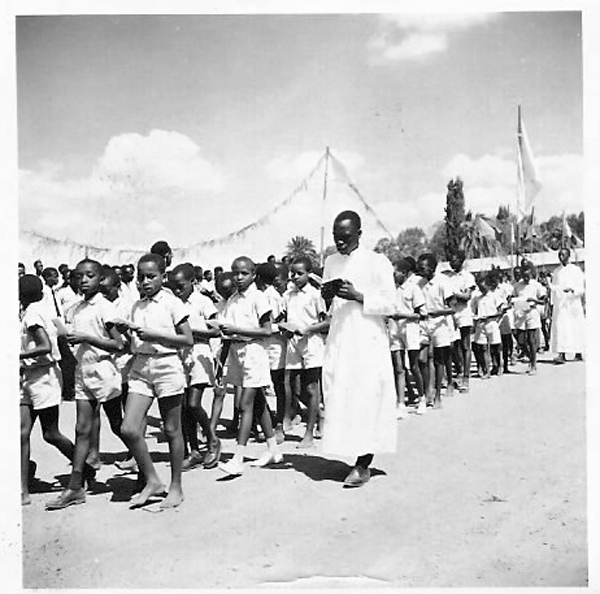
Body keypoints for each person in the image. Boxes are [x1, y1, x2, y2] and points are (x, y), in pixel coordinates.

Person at [320, 210, 397, 488]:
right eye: (336, 238)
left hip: (367, 340)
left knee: (368, 397)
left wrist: (359, 296)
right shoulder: (330, 262)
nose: (340, 243)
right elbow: (325, 307)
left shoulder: (377, 262)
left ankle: (363, 464)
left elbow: (391, 304)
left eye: (345, 238)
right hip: (341, 338)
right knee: (342, 396)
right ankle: (352, 454)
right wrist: (326, 296)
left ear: (359, 235)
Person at [45, 259, 126, 510]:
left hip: (104, 370)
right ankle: (75, 486)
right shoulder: (76, 308)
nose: (83, 280)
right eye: (78, 276)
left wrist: (87, 338)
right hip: (84, 371)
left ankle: (144, 468)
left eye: (89, 276)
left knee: (118, 425)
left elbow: (118, 344)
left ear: (100, 279)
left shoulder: (105, 307)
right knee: (82, 429)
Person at [119, 253, 193, 509]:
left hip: (167, 366)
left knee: (172, 430)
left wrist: (156, 335)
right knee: (128, 428)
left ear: (164, 276)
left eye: (151, 276)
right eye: (141, 277)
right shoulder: (137, 306)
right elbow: (134, 342)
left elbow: (187, 339)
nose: (145, 282)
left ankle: (176, 487)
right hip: (141, 366)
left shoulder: (172, 303)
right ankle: (152, 480)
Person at [216, 256, 283, 476]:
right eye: (235, 273)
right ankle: (273, 449)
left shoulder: (259, 297)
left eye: (244, 273)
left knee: (245, 403)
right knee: (259, 402)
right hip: (237, 351)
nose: (239, 277)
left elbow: (266, 330)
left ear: (253, 275)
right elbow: (227, 329)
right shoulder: (233, 298)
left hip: (255, 351)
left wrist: (238, 330)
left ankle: (238, 457)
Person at [19, 275, 77, 506]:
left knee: (50, 433)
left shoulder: (33, 314)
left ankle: (83, 468)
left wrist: (18, 355)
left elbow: (45, 347)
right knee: (21, 433)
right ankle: (23, 490)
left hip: (44, 377)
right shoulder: (37, 310)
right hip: (29, 377)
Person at [171, 263, 222, 471]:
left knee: (193, 403)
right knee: (183, 407)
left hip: (199, 353)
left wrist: (190, 332)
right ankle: (194, 450)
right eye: (173, 286)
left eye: (181, 285)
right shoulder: (172, 303)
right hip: (180, 355)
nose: (177, 290)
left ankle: (212, 439)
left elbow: (215, 331)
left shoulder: (203, 302)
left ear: (193, 282)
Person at [282, 256, 329, 448]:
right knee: (295, 386)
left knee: (311, 387)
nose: (295, 277)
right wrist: (285, 329)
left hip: (312, 343)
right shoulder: (288, 295)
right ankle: (319, 415)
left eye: (300, 273)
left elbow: (327, 322)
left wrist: (309, 329)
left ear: (309, 274)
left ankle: (309, 433)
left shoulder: (315, 295)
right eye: (292, 273)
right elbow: (285, 317)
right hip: (293, 343)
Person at [388, 256, 427, 417]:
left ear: (403, 273)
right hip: (395, 330)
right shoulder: (391, 290)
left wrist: (403, 315)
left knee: (414, 365)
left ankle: (422, 398)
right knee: (398, 367)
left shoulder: (413, 288)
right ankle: (401, 403)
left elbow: (421, 315)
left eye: (395, 272)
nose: (393, 275)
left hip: (410, 329)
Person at [416, 253, 456, 409]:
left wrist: (437, 313)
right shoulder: (419, 283)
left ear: (432, 268)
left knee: (440, 360)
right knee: (421, 359)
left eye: (423, 267)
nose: (421, 270)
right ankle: (428, 391)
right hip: (424, 323)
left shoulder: (443, 282)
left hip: (440, 324)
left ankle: (438, 394)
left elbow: (452, 308)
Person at [255, 262, 289, 444]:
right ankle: (264, 422)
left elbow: (278, 323)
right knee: (261, 384)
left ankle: (278, 425)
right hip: (263, 345)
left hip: (274, 345)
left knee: (278, 384)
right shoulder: (263, 295)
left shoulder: (271, 296)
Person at [445, 250, 476, 392]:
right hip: (451, 312)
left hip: (463, 312)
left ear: (461, 261)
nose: (452, 262)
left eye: (455, 259)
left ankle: (465, 378)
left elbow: (467, 296)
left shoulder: (468, 277)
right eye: (450, 259)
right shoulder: (447, 276)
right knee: (451, 345)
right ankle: (458, 369)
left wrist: (455, 294)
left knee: (465, 345)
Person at [550, 248, 585, 363]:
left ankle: (578, 352)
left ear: (568, 256)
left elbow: (581, 288)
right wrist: (552, 301)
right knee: (561, 327)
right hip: (561, 305)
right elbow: (554, 289)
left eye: (563, 255)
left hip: (573, 303)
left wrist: (573, 290)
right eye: (559, 255)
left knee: (575, 327)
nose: (561, 257)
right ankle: (561, 353)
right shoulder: (557, 271)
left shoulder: (576, 270)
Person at [511, 261, 546, 375]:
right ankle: (530, 357)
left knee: (531, 339)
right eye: (524, 276)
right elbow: (512, 297)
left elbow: (543, 300)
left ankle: (533, 365)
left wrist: (534, 300)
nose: (526, 278)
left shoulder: (536, 285)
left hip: (532, 312)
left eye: (528, 276)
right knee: (520, 340)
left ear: (531, 274)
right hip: (521, 313)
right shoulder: (517, 286)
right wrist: (511, 299)